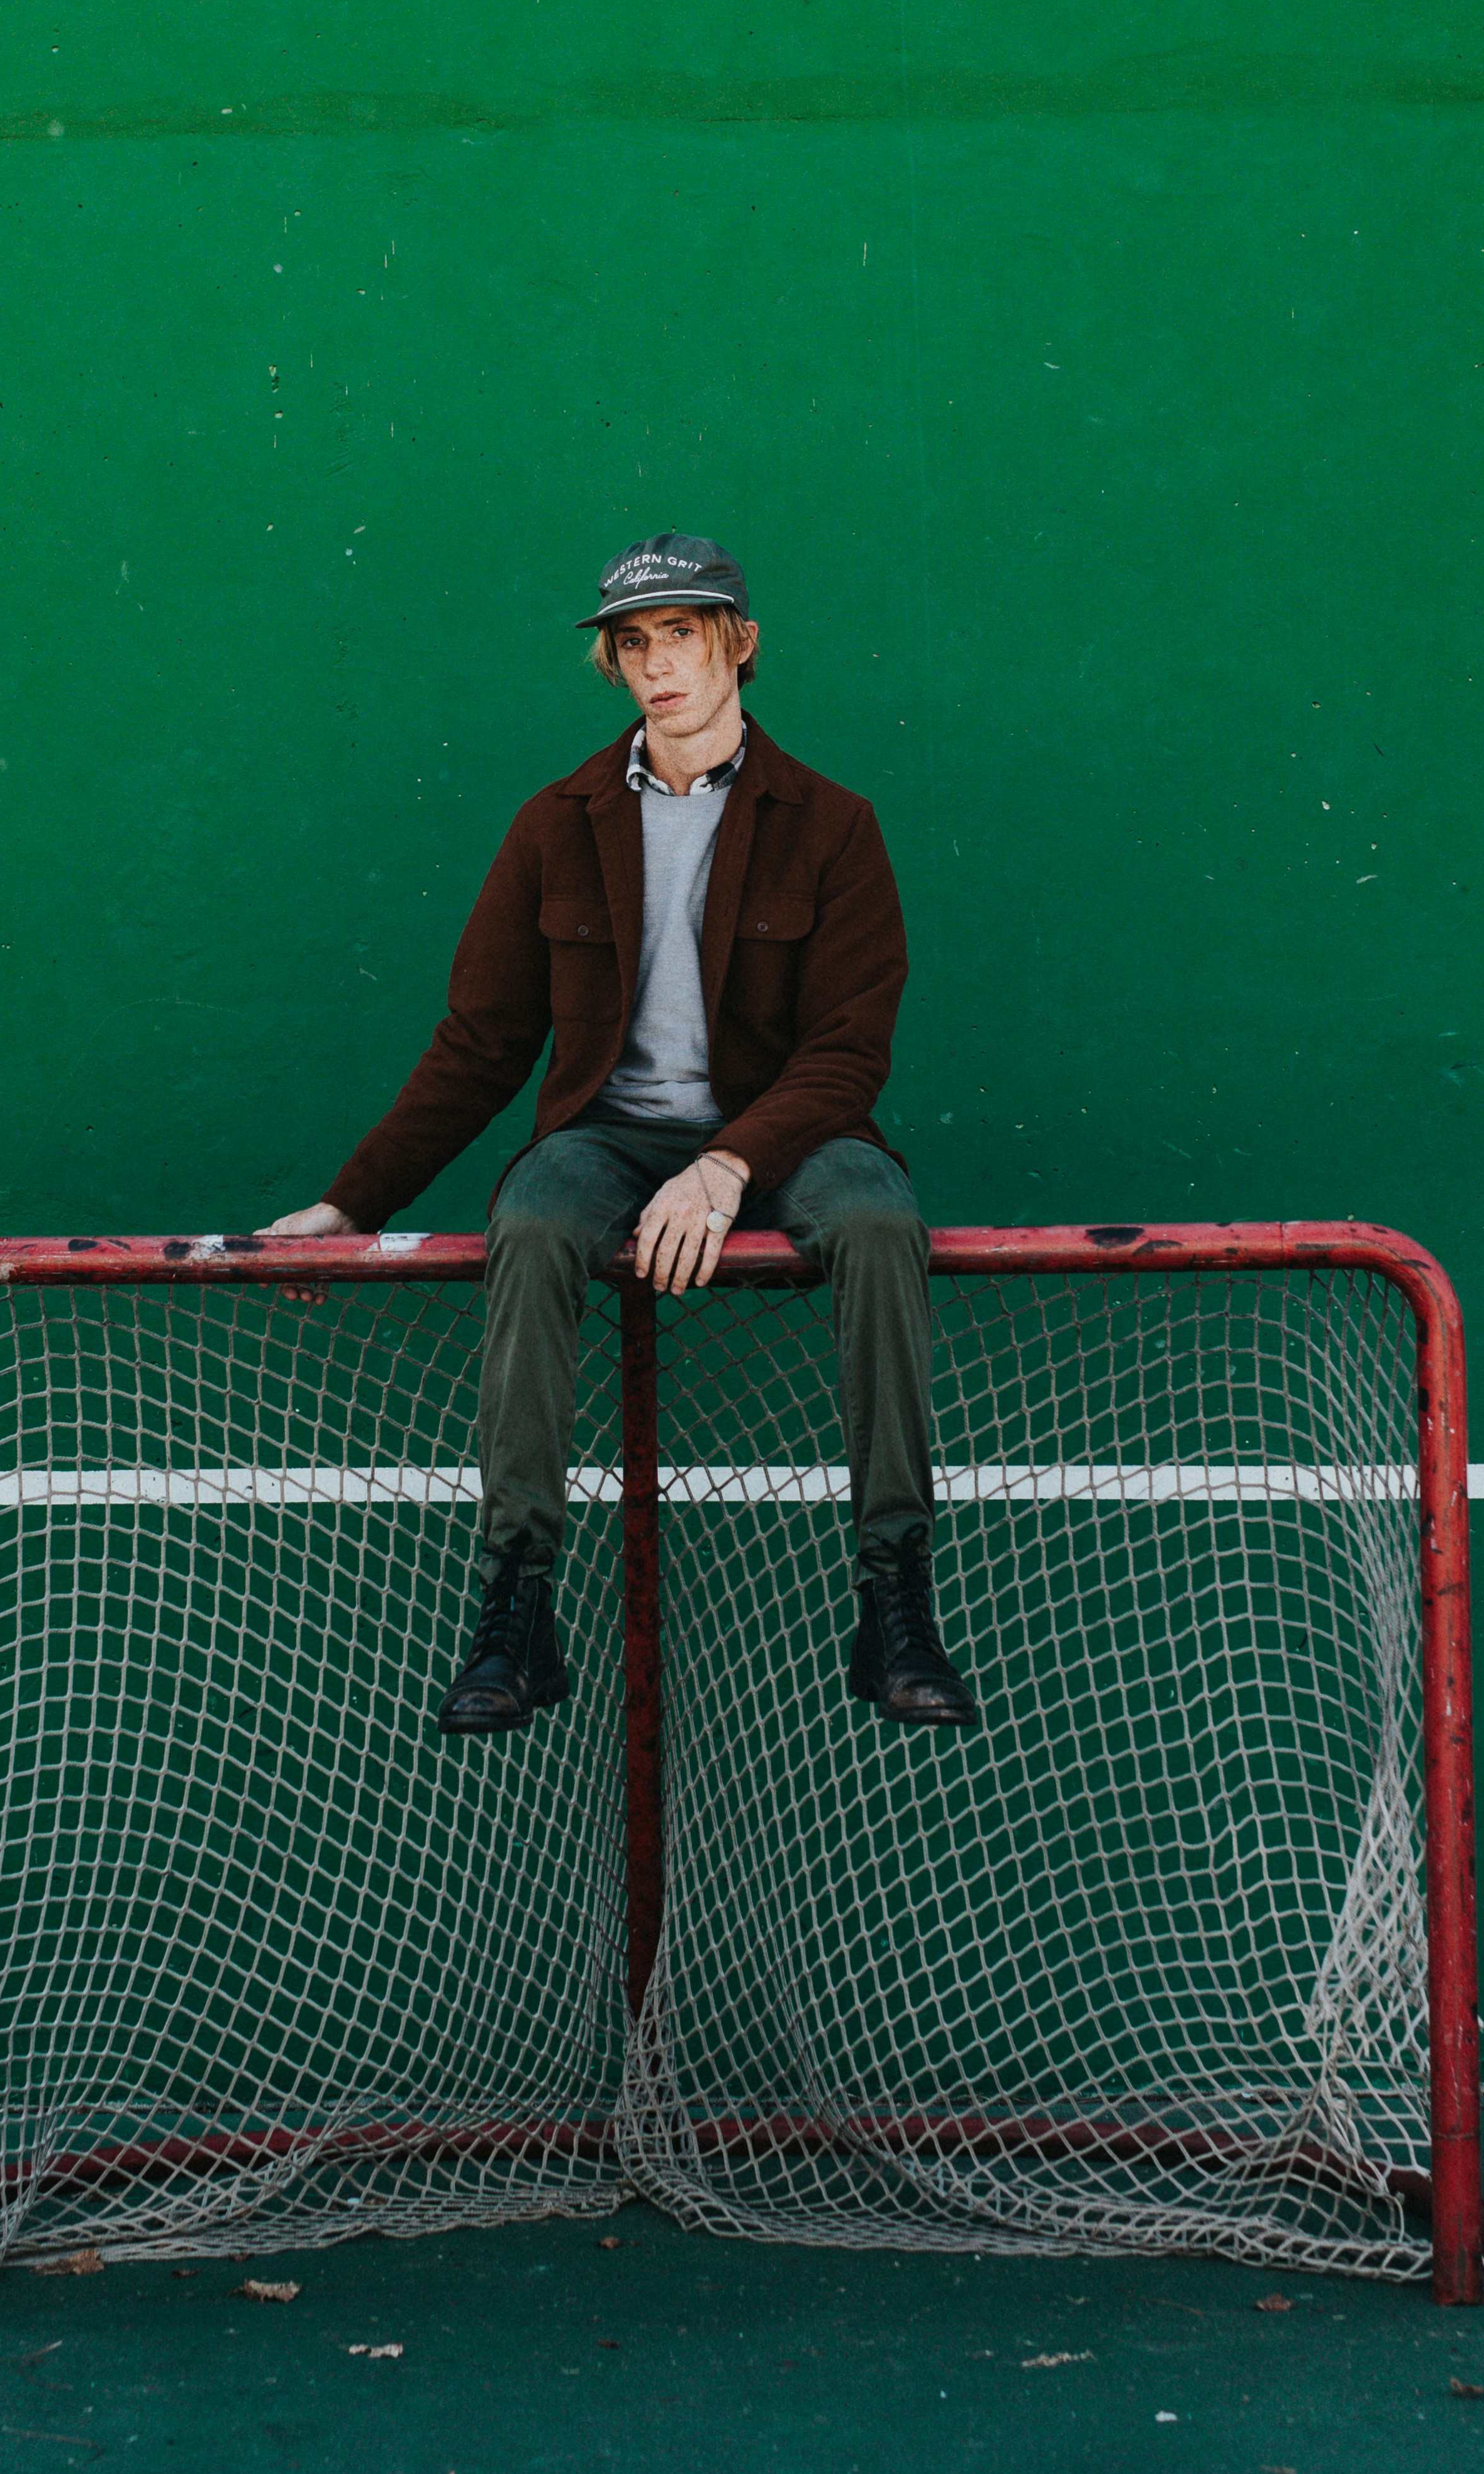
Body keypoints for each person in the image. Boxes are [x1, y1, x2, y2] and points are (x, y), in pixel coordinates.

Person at [265, 534, 979, 1738]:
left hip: (789, 1140)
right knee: (535, 1220)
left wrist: (727, 1161)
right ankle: (519, 1604)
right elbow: (482, 1043)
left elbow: (849, 1051)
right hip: (608, 1138)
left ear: (740, 645)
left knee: (873, 1216)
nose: (660, 665)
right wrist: (353, 1203)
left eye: (683, 635)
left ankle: (896, 1597)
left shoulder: (833, 825)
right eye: (634, 643)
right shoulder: (559, 824)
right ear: (612, 665)